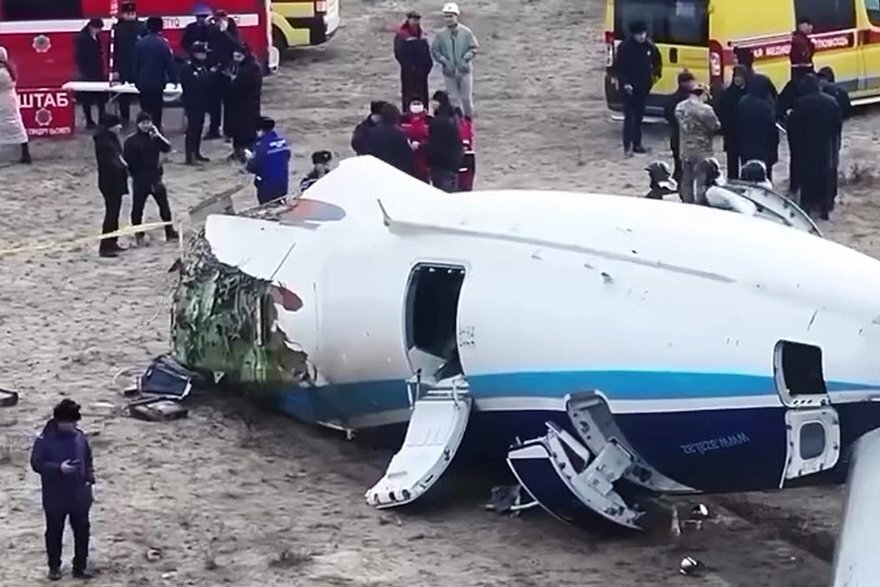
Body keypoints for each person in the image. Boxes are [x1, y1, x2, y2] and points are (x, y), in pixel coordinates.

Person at [30, 399, 96, 581]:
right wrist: (59, 468)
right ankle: (54, 567)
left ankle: (80, 567)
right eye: (71, 422)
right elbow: (36, 463)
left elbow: (87, 458)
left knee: (82, 531)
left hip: (79, 495)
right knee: (54, 532)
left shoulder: (79, 436)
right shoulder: (45, 440)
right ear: (60, 421)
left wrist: (89, 477)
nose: (74, 426)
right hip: (55, 496)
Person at [787, 74, 842, 220]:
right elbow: (838, 125)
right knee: (825, 176)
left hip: (807, 147)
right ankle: (825, 207)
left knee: (808, 177)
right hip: (827, 145)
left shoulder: (801, 104)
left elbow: (794, 127)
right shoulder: (831, 102)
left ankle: (807, 206)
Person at [123, 112, 179, 244]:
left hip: (155, 177)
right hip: (140, 179)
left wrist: (158, 136)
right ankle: (139, 233)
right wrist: (135, 174)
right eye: (144, 123)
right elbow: (128, 160)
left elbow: (167, 148)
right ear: (138, 124)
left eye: (148, 122)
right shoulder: (131, 141)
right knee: (138, 208)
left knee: (164, 207)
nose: (146, 125)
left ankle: (169, 231)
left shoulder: (154, 138)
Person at [611, 20, 662, 157]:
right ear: (633, 34)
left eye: (644, 33)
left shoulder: (649, 45)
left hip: (643, 86)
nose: (642, 36)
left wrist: (656, 76)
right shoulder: (625, 47)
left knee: (639, 116)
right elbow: (618, 68)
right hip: (628, 88)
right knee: (629, 117)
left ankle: (637, 144)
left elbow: (658, 62)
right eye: (639, 34)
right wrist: (625, 83)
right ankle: (627, 146)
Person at [430, 2, 479, 119]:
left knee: (466, 98)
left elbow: (474, 47)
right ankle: (456, 121)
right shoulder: (440, 35)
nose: (449, 19)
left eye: (451, 16)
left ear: (456, 16)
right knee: (453, 98)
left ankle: (468, 119)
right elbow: (435, 50)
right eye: (446, 16)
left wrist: (466, 58)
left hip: (464, 70)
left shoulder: (466, 32)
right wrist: (444, 61)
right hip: (449, 72)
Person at [674, 84, 720, 204]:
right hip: (703, 149)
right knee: (702, 180)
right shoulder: (706, 109)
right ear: (702, 94)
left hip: (685, 148)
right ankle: (701, 204)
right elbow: (715, 126)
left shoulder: (680, 107)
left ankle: (687, 202)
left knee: (687, 179)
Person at [133, 16, 178, 131]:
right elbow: (169, 63)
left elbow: (135, 63)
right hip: (157, 82)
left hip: (143, 81)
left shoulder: (140, 43)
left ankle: (143, 128)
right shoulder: (163, 44)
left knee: (145, 108)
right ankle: (156, 129)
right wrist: (174, 79)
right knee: (157, 109)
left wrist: (135, 79)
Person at [94, 114, 129, 258]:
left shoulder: (110, 138)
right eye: (117, 124)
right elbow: (114, 161)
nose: (120, 127)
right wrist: (125, 166)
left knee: (114, 213)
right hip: (110, 182)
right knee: (111, 214)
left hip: (115, 180)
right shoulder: (104, 142)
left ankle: (113, 242)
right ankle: (106, 246)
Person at [224, 44, 262, 162]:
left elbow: (242, 86)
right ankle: (238, 152)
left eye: (239, 54)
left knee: (247, 131)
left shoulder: (251, 68)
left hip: (248, 105)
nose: (236, 57)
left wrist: (232, 81)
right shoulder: (239, 66)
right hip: (238, 106)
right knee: (238, 131)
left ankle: (248, 154)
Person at [737, 81, 779, 181]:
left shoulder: (743, 102)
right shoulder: (766, 104)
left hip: (746, 143)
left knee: (747, 170)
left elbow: (737, 123)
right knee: (765, 172)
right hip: (764, 145)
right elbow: (771, 126)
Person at [112, 3, 145, 127]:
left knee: (143, 94)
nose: (130, 15)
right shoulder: (117, 29)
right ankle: (125, 117)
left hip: (140, 65)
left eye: (132, 13)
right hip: (124, 66)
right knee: (123, 95)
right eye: (128, 13)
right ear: (123, 14)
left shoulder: (142, 27)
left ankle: (143, 117)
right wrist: (115, 69)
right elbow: (114, 50)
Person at [210, 9, 242, 139]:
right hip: (216, 69)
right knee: (214, 102)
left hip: (228, 70)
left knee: (229, 103)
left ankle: (229, 130)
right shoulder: (213, 30)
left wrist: (224, 32)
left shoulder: (231, 29)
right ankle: (214, 128)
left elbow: (236, 44)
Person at [245, 116, 291, 204]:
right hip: (282, 184)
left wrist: (249, 159)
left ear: (260, 130)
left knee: (267, 210)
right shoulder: (282, 142)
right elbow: (287, 156)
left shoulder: (261, 146)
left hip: (266, 187)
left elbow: (253, 167)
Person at [180, 41, 212, 165]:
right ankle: (190, 155)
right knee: (192, 129)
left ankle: (196, 152)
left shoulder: (201, 66)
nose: (205, 56)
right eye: (203, 53)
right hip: (192, 102)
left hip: (201, 101)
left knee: (199, 128)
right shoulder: (188, 67)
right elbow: (194, 83)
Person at [394, 10, 433, 111]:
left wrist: (427, 67)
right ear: (408, 19)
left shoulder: (421, 35)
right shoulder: (402, 35)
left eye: (417, 20)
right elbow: (399, 54)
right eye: (413, 19)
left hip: (422, 72)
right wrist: (409, 67)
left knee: (422, 94)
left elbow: (427, 52)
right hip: (408, 72)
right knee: (408, 94)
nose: (416, 22)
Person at [365, 102, 415, 176]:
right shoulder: (400, 133)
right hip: (396, 169)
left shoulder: (372, 131)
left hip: (378, 168)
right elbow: (406, 156)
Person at [716, 65, 748, 180]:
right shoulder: (727, 94)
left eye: (740, 77)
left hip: (745, 133)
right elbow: (720, 111)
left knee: (745, 160)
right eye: (736, 77)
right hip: (731, 134)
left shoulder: (748, 93)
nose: (737, 79)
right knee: (732, 162)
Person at [427, 91, 463, 191]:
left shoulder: (438, 121)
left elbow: (435, 143)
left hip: (441, 165)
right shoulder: (453, 117)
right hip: (453, 162)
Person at [74, 18, 107, 129]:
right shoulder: (82, 38)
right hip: (87, 71)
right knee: (86, 97)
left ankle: (102, 117)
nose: (99, 31)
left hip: (97, 70)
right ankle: (89, 120)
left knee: (101, 95)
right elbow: (79, 56)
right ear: (91, 27)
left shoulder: (95, 37)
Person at [664, 70, 695, 183]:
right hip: (682, 135)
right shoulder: (681, 99)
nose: (692, 84)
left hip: (678, 134)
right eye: (689, 81)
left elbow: (667, 114)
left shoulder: (675, 98)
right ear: (682, 83)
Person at [0, 47, 30, 164]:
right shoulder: (9, 69)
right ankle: (24, 152)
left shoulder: (2, 73)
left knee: (11, 125)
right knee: (16, 124)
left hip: (3, 101)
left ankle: (25, 154)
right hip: (9, 100)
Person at [400, 98, 431, 183]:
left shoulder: (430, 121)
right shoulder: (402, 120)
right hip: (406, 159)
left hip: (424, 161)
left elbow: (433, 139)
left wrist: (421, 144)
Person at [454, 106, 475, 191]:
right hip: (466, 156)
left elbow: (466, 140)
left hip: (464, 156)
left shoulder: (463, 125)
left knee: (464, 182)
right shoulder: (466, 124)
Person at [790, 17, 815, 83]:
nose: (811, 27)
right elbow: (806, 55)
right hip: (802, 71)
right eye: (808, 25)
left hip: (801, 71)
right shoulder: (799, 40)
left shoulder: (802, 39)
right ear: (801, 25)